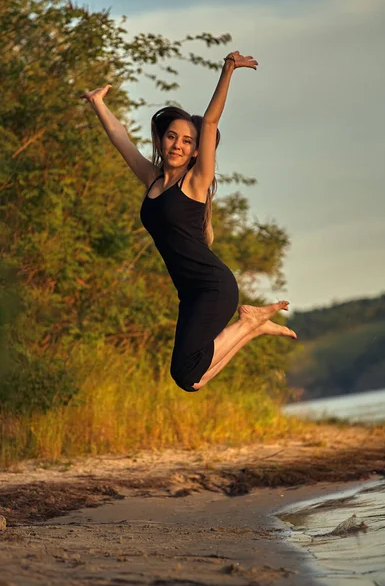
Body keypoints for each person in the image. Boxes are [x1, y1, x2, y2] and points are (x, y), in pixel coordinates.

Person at [81, 50, 296, 393]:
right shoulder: (153, 179)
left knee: (186, 373)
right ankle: (252, 328)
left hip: (213, 287)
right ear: (161, 140)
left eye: (187, 141)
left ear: (197, 151)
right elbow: (121, 140)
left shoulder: (195, 183)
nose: (177, 144)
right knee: (191, 381)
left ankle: (250, 323)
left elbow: (209, 122)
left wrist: (227, 69)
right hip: (190, 294)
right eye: (171, 136)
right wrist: (97, 104)